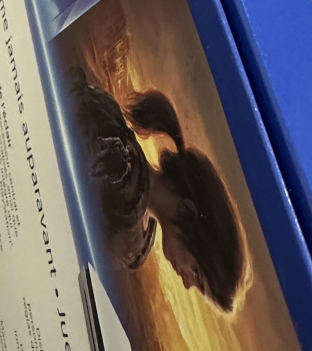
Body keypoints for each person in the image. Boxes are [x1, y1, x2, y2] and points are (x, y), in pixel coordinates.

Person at [68, 67, 252, 312]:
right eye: (196, 272)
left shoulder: (142, 239)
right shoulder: (126, 178)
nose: (186, 283)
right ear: (189, 211)